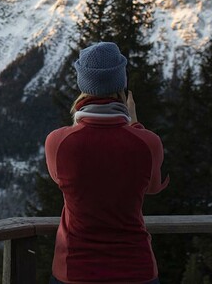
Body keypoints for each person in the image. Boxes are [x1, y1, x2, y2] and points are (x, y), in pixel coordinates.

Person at [45, 41, 169, 284]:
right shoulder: (147, 142)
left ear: (83, 86)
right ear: (121, 86)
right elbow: (153, 187)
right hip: (136, 271)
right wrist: (134, 124)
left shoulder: (58, 143)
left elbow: (63, 179)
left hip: (74, 271)